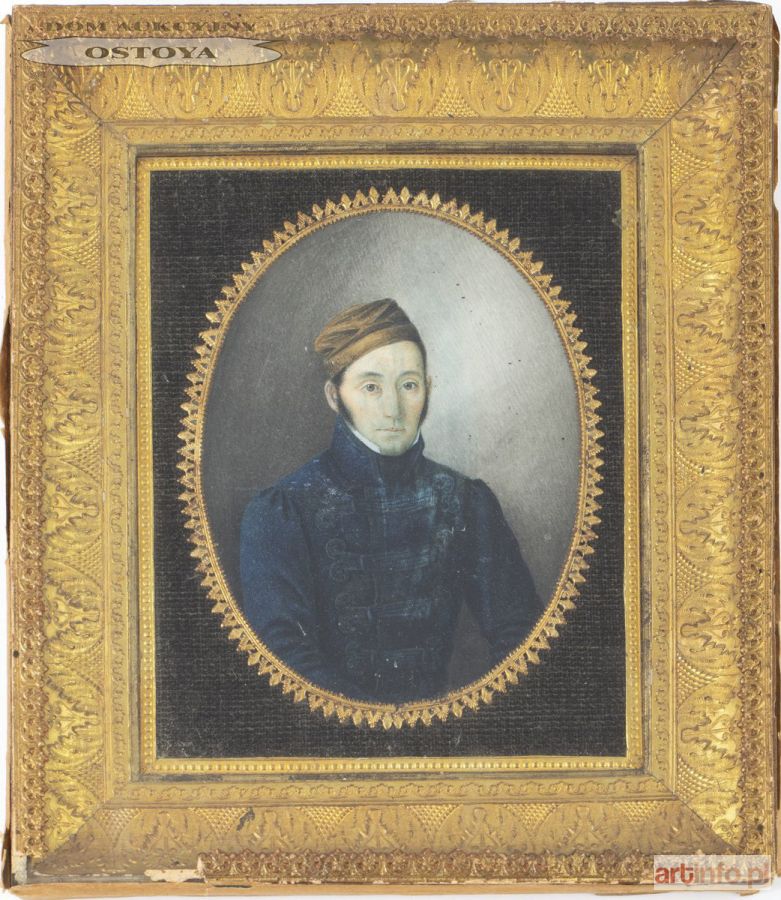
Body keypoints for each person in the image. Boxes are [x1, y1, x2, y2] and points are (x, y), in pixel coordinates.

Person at [239, 299, 543, 704]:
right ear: (334, 396)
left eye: (408, 385)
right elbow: (284, 658)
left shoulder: (465, 501)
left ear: (428, 389)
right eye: (371, 387)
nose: (394, 409)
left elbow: (520, 636)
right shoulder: (283, 511)